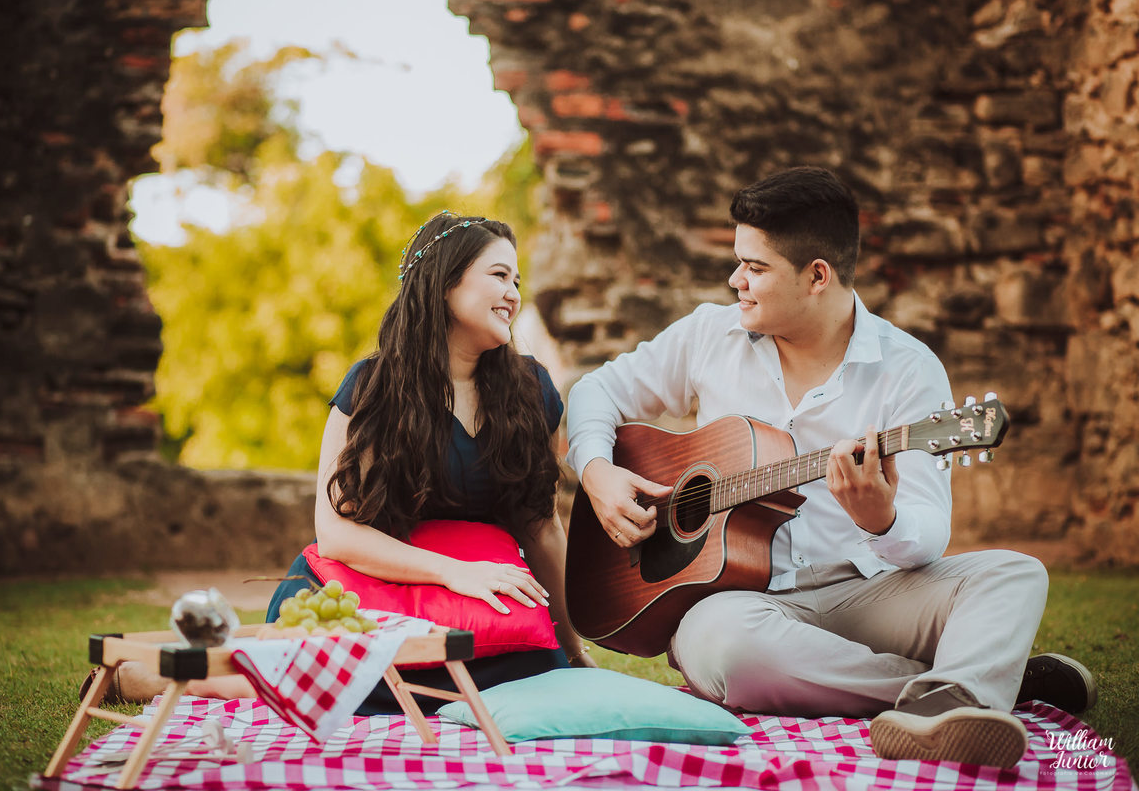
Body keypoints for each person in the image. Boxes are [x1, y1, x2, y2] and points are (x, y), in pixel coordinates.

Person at [564, 167, 1094, 767]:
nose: (736, 280)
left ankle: (952, 692)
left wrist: (882, 520)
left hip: (870, 589)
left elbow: (929, 534)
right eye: (739, 261)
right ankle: (957, 693)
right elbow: (595, 392)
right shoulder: (710, 335)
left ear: (818, 275)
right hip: (749, 603)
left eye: (755, 267)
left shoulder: (908, 368)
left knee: (1013, 574)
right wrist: (597, 470)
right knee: (718, 643)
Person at [85, 212, 592, 709]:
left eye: (517, 279)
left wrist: (571, 650)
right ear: (443, 283)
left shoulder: (531, 392)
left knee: (532, 682)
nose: (513, 294)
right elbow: (336, 533)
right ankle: (147, 676)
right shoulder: (372, 388)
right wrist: (454, 572)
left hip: (482, 609)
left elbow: (542, 528)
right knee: (328, 688)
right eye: (499, 275)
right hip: (369, 593)